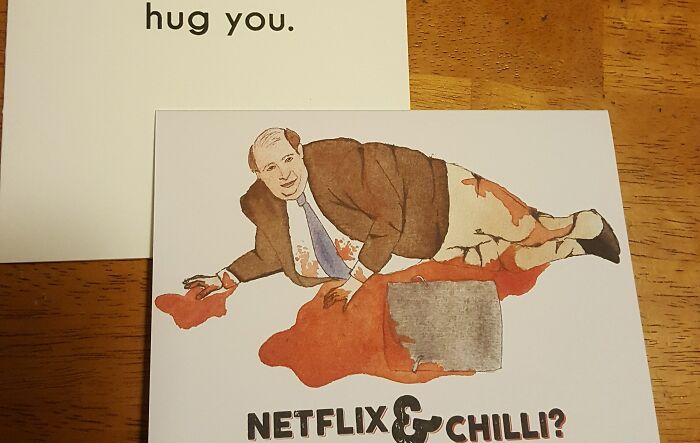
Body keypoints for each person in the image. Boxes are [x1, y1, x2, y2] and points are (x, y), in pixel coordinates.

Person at [183, 127, 619, 307]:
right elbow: (269, 255)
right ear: (259, 175)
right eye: (271, 168)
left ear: (299, 151)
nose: (285, 174)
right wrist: (225, 278)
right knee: (510, 261)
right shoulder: (264, 205)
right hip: (426, 241)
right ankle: (576, 249)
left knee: (525, 228)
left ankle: (579, 224)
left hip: (444, 194)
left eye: (287, 159)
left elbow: (388, 219)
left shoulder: (339, 161)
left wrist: (356, 281)